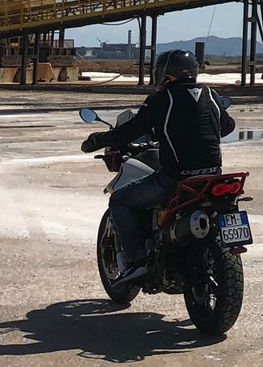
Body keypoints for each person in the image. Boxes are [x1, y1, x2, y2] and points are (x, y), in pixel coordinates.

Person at [81, 48, 236, 286]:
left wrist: (98, 139)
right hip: (212, 178)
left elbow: (128, 131)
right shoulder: (212, 95)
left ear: (165, 73)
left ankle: (137, 260)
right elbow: (227, 127)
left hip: (176, 179)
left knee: (119, 201)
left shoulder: (162, 99)